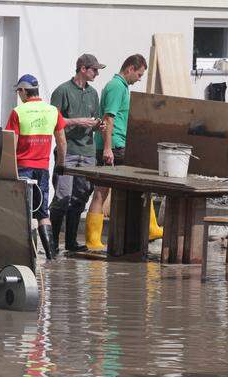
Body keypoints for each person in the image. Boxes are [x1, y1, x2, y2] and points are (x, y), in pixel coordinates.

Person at [85, 54, 163, 250]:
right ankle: (93, 240)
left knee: (133, 185)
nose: (139, 78)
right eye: (138, 74)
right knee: (102, 191)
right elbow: (108, 118)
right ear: (129, 68)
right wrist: (108, 148)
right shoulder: (117, 87)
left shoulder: (121, 87)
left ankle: (151, 227)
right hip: (114, 146)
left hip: (118, 144)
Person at [49, 53, 106, 253]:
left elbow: (95, 119)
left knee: (80, 198)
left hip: (88, 152)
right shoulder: (62, 91)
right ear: (83, 69)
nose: (97, 73)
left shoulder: (93, 94)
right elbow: (52, 121)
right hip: (69, 152)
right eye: (94, 70)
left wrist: (99, 125)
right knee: (63, 197)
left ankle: (71, 243)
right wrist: (77, 121)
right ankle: (53, 242)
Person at [6, 74, 67, 260]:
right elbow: (62, 142)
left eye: (18, 91)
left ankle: (23, 257)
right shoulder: (52, 111)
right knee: (42, 213)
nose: (18, 95)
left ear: (24, 91)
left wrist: (6, 169)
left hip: (23, 168)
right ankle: (50, 257)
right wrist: (60, 164)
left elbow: (11, 144)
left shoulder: (18, 112)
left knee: (21, 212)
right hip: (42, 168)